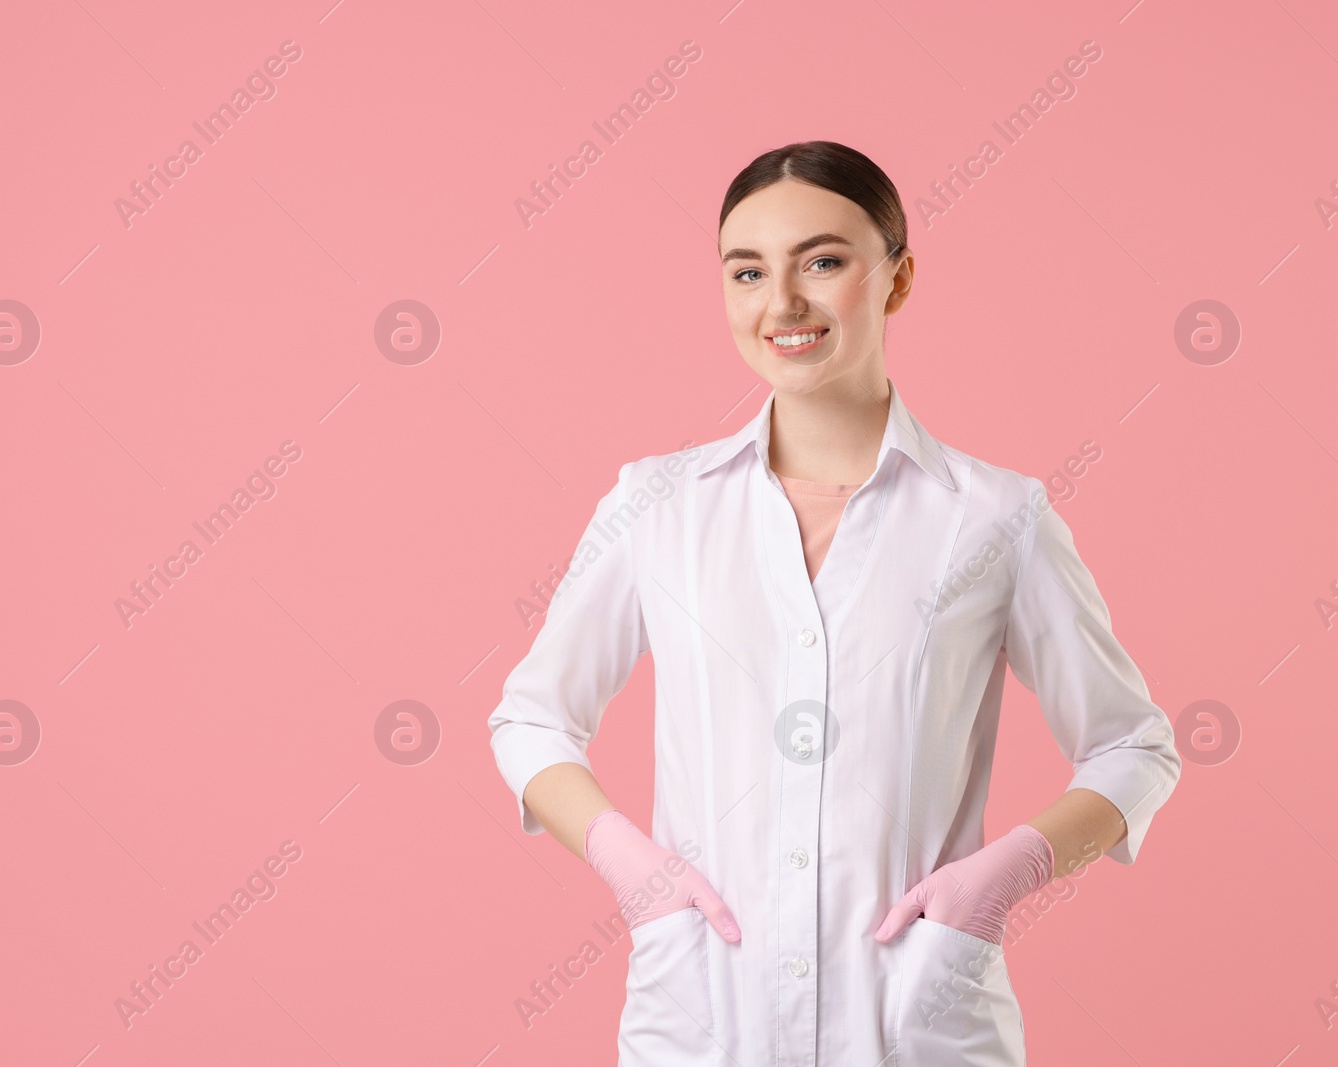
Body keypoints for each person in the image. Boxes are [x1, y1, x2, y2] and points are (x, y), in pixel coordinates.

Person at [486, 140, 1181, 1066]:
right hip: (702, 1017)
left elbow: (1136, 747)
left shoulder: (998, 520)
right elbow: (530, 720)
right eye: (747, 271)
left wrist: (1005, 874)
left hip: (918, 1026)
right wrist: (635, 868)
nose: (782, 304)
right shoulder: (656, 506)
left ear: (896, 279)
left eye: (822, 261)